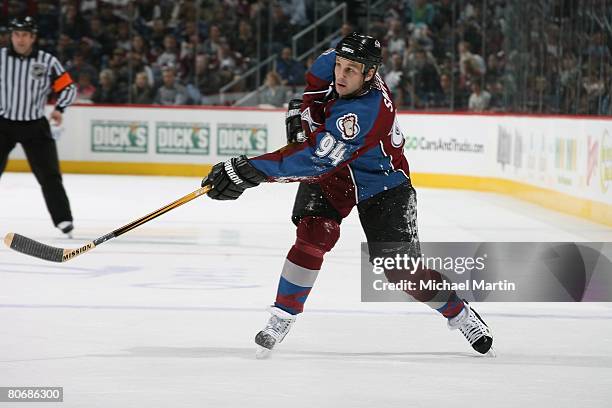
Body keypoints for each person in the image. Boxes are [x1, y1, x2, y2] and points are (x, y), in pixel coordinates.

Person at [202, 33, 494, 358]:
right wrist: (302, 114)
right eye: (340, 66)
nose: (340, 75)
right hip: (336, 175)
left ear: (370, 74)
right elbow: (310, 99)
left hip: (382, 183)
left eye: (351, 70)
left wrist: (247, 170)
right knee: (313, 234)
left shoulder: (368, 111)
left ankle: (459, 313)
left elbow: (316, 159)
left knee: (400, 270)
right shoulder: (329, 63)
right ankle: (281, 316)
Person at [0, 17, 77, 236]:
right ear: (11, 36)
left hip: (35, 125)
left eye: (25, 34)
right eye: (16, 34)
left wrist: (59, 109)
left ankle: (63, 220)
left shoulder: (47, 61)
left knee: (50, 175)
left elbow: (68, 88)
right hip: (3, 124)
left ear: (33, 37)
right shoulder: (1, 58)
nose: (20, 39)